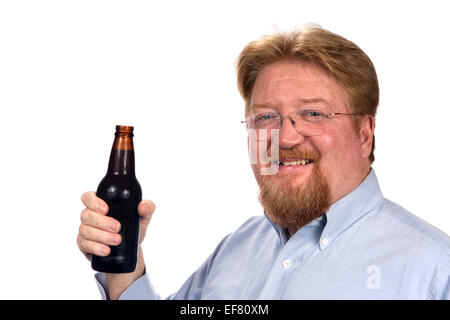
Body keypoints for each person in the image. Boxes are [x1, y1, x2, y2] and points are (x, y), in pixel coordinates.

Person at [77, 25, 450, 299]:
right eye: (266, 117)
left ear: (364, 132)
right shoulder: (238, 247)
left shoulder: (433, 268)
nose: (286, 138)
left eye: (314, 114)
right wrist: (122, 254)